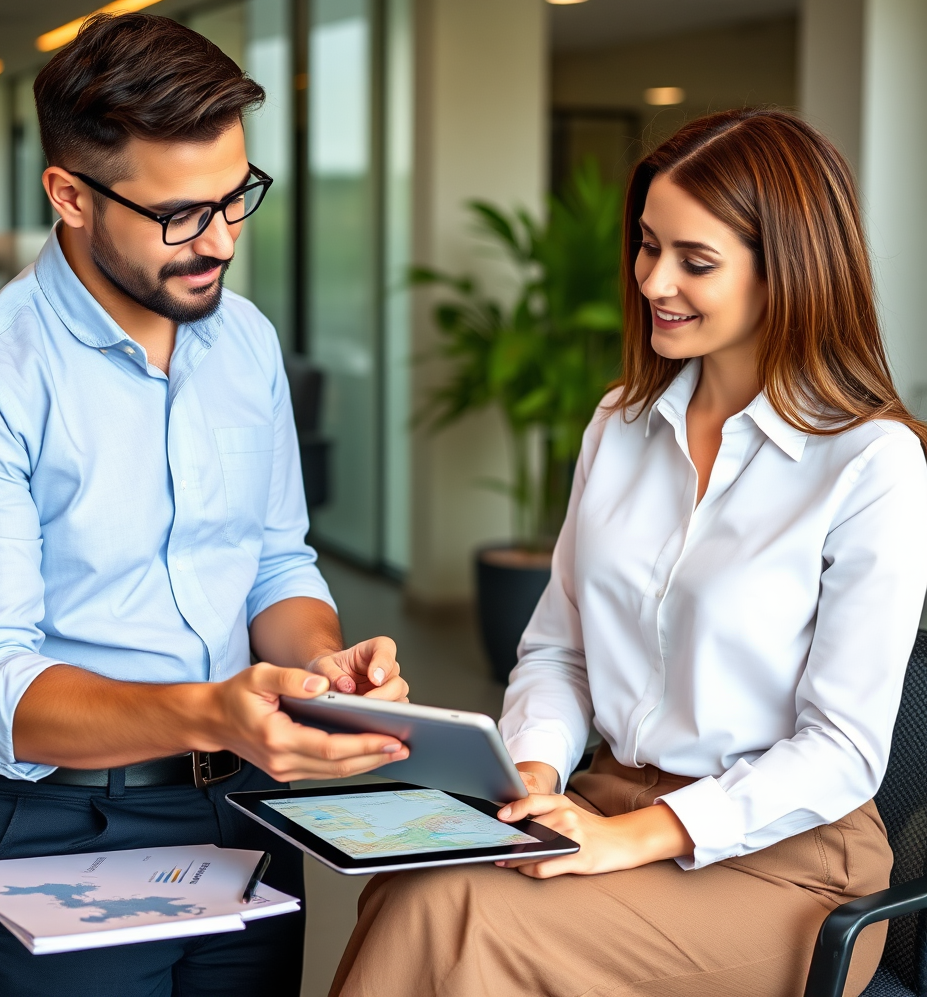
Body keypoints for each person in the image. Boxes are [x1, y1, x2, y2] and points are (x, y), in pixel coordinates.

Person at [328, 108, 927, 997]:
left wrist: (634, 837)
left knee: (458, 917)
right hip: (601, 802)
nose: (653, 281)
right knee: (416, 878)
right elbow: (560, 651)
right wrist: (531, 772)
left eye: (695, 260)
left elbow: (840, 749)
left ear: (788, 272)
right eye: (647, 247)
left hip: (781, 867)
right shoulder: (620, 425)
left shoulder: (871, 462)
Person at [0, 13, 409, 997]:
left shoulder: (247, 343)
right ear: (70, 195)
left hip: (245, 810)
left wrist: (316, 664)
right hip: (58, 827)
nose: (219, 240)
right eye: (180, 213)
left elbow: (273, 560)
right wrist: (210, 711)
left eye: (236, 198)